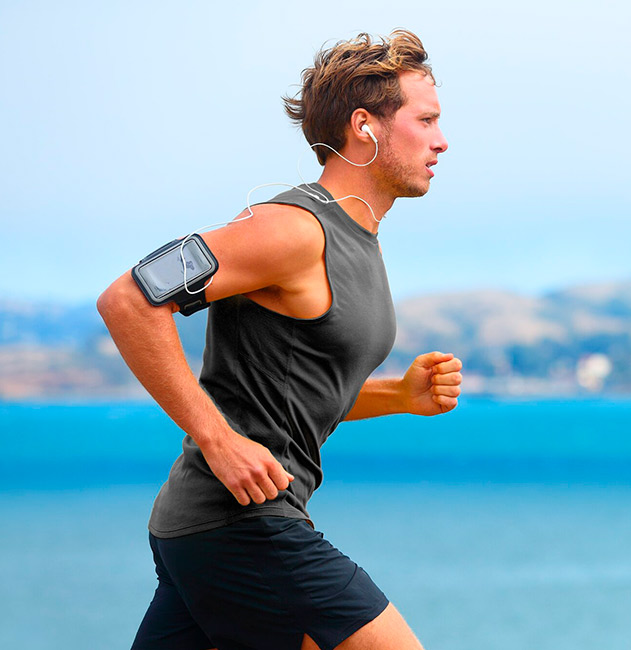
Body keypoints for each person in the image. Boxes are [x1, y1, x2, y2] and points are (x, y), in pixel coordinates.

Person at [96, 29, 457, 650]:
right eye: (426, 120)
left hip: (209, 530)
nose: (442, 140)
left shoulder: (357, 237)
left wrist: (398, 396)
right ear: (365, 126)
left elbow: (289, 391)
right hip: (240, 524)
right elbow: (129, 298)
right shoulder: (289, 229)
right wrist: (219, 441)